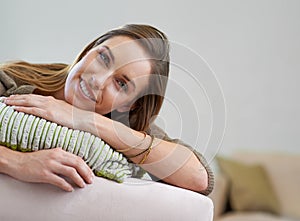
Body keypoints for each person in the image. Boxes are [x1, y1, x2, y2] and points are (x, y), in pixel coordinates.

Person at [0, 24, 213, 195]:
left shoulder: (123, 124)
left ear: (129, 104)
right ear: (88, 50)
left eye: (121, 83)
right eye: (103, 58)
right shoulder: (14, 79)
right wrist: (17, 162)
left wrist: (85, 120)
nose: (97, 80)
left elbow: (199, 177)